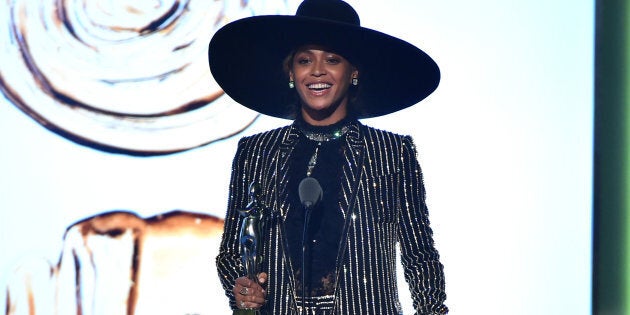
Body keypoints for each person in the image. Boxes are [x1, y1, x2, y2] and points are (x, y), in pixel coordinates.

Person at [209, 0, 448, 314]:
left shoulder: (391, 154)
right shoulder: (256, 153)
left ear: (353, 73)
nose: (317, 70)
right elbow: (231, 254)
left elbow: (420, 258)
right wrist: (242, 290)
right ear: (291, 72)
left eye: (332, 59)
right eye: (305, 60)